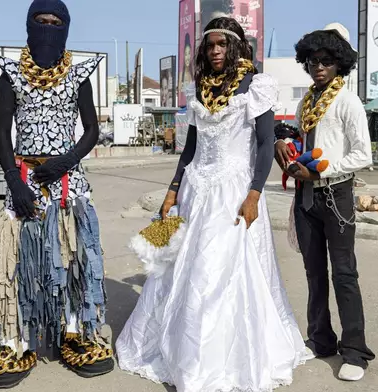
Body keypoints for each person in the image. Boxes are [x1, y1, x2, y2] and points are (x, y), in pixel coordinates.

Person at [117, 17, 307, 392]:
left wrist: (254, 193)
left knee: (216, 271)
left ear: (235, 46)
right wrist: (173, 189)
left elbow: (265, 144)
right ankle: (182, 354)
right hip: (195, 190)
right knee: (181, 271)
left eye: (222, 45)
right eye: (210, 46)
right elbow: (190, 147)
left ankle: (212, 363)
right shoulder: (199, 89)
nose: (216, 51)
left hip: (234, 193)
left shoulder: (256, 85)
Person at [0, 0, 113, 388]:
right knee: (13, 260)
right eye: (41, 21)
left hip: (69, 181)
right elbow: (3, 131)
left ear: (66, 27)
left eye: (55, 22)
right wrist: (13, 181)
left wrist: (64, 161)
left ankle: (74, 333)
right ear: (29, 25)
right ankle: (14, 340)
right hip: (23, 178)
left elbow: (90, 130)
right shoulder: (11, 73)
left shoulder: (79, 74)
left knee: (74, 258)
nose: (48, 28)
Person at [274, 23, 376, 381]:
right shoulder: (306, 102)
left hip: (336, 194)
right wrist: (286, 147)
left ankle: (355, 352)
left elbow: (363, 154)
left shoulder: (348, 101)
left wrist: (322, 171)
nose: (319, 66)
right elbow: (304, 144)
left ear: (340, 64)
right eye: (313, 60)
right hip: (306, 196)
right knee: (314, 273)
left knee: (344, 274)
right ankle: (320, 339)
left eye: (327, 60)